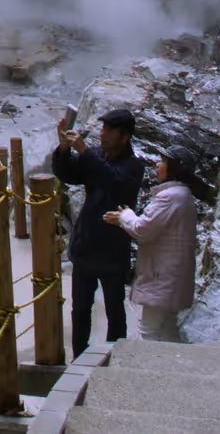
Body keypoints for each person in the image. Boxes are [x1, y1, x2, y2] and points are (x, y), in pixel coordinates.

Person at [52, 107, 146, 357]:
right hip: (86, 245)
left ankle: (114, 359)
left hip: (112, 250)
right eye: (102, 129)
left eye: (108, 131)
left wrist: (83, 151)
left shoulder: (133, 166)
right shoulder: (95, 155)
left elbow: (113, 182)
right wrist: (63, 149)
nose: (102, 134)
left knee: (115, 311)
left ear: (124, 137)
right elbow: (69, 173)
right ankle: (79, 358)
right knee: (80, 309)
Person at [103, 144, 200, 343]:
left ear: (174, 169)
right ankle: (175, 370)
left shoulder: (169, 197)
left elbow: (142, 230)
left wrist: (125, 215)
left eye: (163, 161)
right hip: (172, 276)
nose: (157, 165)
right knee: (167, 329)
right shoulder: (183, 196)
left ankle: (148, 372)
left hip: (161, 277)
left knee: (148, 332)